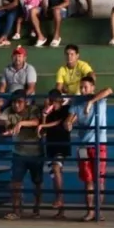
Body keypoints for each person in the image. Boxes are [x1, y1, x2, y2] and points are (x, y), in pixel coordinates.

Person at [66, 77, 113, 222]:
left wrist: (91, 102)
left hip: (99, 145)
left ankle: (98, 210)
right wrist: (68, 123)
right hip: (83, 146)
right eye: (81, 87)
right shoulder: (76, 102)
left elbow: (109, 90)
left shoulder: (100, 99)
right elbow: (69, 119)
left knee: (99, 180)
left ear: (93, 87)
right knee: (88, 180)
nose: (83, 90)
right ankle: (90, 211)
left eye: (86, 87)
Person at [0, 90, 42, 220]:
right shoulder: (9, 112)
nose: (16, 105)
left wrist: (20, 123)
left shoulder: (33, 109)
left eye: (20, 102)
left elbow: (36, 122)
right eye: (14, 102)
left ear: (26, 102)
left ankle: (37, 209)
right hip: (18, 153)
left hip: (36, 153)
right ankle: (16, 211)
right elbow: (1, 121)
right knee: (16, 183)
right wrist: (7, 130)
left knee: (38, 182)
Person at [38, 89, 72, 217]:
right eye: (50, 100)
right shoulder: (48, 111)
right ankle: (61, 209)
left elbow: (59, 123)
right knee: (55, 174)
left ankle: (59, 198)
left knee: (56, 168)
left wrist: (44, 126)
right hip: (50, 146)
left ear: (60, 100)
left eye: (54, 100)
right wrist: (44, 116)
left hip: (62, 145)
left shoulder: (65, 109)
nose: (52, 103)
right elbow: (42, 133)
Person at [0, 46, 37, 120]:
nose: (17, 58)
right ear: (12, 57)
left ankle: (12, 122)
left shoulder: (30, 69)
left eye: (19, 56)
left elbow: (31, 88)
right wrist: (0, 97)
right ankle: (4, 120)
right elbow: (2, 86)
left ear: (24, 58)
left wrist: (19, 97)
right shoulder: (6, 69)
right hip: (10, 96)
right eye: (15, 56)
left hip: (25, 96)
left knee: (19, 104)